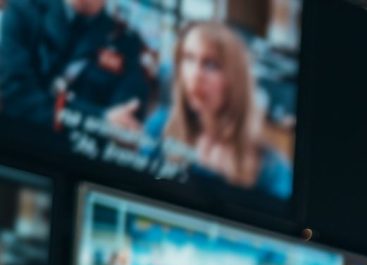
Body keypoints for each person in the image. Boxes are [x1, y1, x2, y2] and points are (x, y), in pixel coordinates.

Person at [143, 20, 290, 201]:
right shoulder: (159, 127)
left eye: (211, 64)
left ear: (236, 80)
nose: (195, 74)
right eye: (188, 58)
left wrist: (234, 190)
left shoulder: (272, 170)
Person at [0, 0, 151, 139]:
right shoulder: (24, 12)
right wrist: (99, 119)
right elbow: (16, 96)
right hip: (15, 146)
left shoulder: (126, 43)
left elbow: (124, 118)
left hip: (72, 161)